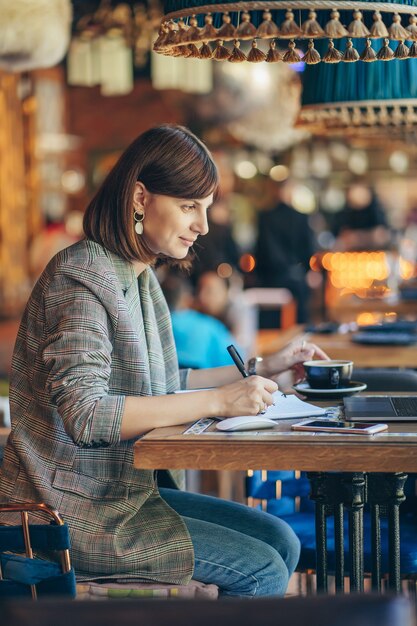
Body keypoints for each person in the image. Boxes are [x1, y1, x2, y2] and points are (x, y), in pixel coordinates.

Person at [0, 124, 327, 597]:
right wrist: (218, 400)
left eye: (207, 207)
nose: (204, 225)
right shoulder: (82, 277)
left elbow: (160, 381)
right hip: (71, 510)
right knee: (264, 570)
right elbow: (86, 414)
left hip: (124, 495)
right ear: (139, 198)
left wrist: (258, 367)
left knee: (281, 538)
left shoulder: (139, 276)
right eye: (189, 206)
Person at [255, 179, 316, 324]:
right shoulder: (301, 217)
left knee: (271, 322)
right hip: (296, 278)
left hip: (271, 279)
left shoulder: (265, 217)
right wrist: (307, 271)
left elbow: (261, 250)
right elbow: (308, 249)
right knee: (299, 321)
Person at [161, 272, 241, 369]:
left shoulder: (172, 319)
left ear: (226, 294)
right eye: (199, 289)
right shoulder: (208, 328)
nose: (202, 297)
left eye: (210, 291)